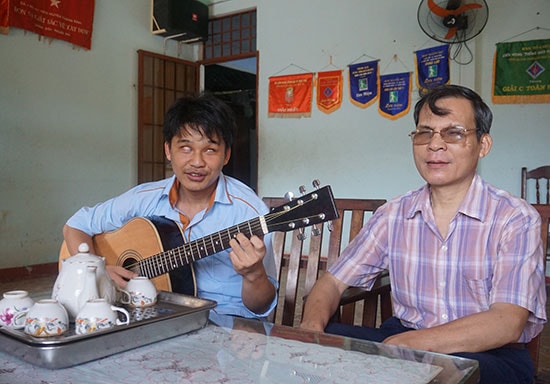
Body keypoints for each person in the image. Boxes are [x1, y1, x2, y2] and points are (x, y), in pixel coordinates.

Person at [300, 84, 547, 383]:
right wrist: (311, 331)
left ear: (483, 144)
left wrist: (411, 345)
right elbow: (332, 282)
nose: (435, 145)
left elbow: (507, 322)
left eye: (453, 133)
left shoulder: (515, 218)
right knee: (331, 343)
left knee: (439, 374)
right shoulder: (394, 214)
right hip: (404, 337)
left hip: (491, 352)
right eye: (424, 133)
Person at [63, 93, 278, 319]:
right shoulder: (144, 198)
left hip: (225, 325)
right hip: (148, 316)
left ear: (226, 156)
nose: (197, 162)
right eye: (186, 148)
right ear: (168, 150)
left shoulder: (251, 213)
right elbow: (75, 226)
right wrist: (98, 271)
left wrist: (254, 274)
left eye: (210, 150)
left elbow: (261, 307)